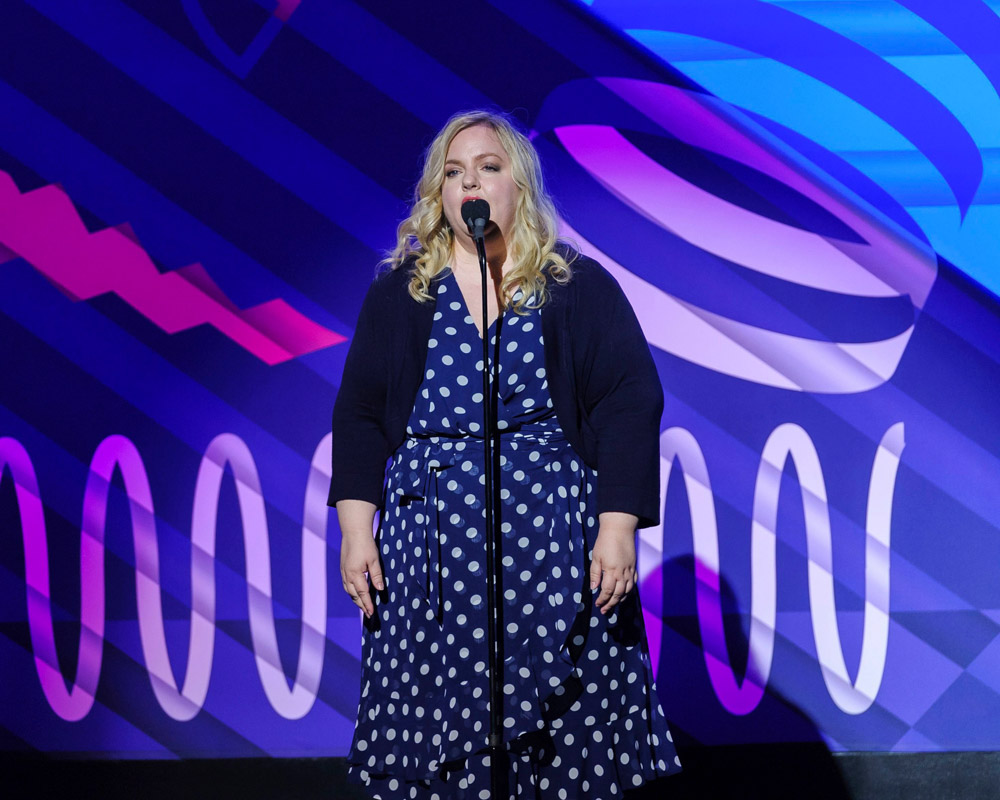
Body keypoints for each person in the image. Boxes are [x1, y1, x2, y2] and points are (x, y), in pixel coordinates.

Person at [330, 110, 681, 799]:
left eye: (489, 168)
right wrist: (353, 531)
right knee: (444, 741)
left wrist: (616, 528)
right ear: (439, 196)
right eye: (455, 173)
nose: (472, 183)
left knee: (556, 743)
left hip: (552, 552)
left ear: (519, 186)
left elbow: (628, 400)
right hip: (432, 560)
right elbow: (361, 413)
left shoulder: (575, 288)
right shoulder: (401, 297)